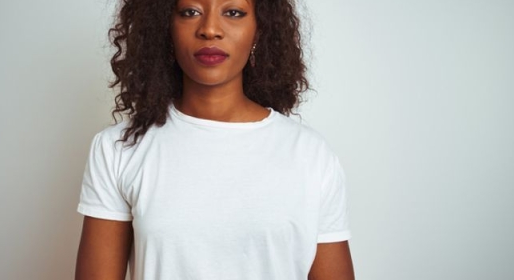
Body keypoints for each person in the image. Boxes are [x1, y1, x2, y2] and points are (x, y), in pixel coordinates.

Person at [75, 0, 354, 279]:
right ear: (165, 27)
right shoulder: (118, 149)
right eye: (190, 12)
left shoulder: (309, 154)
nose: (209, 29)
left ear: (259, 30)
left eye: (233, 13)